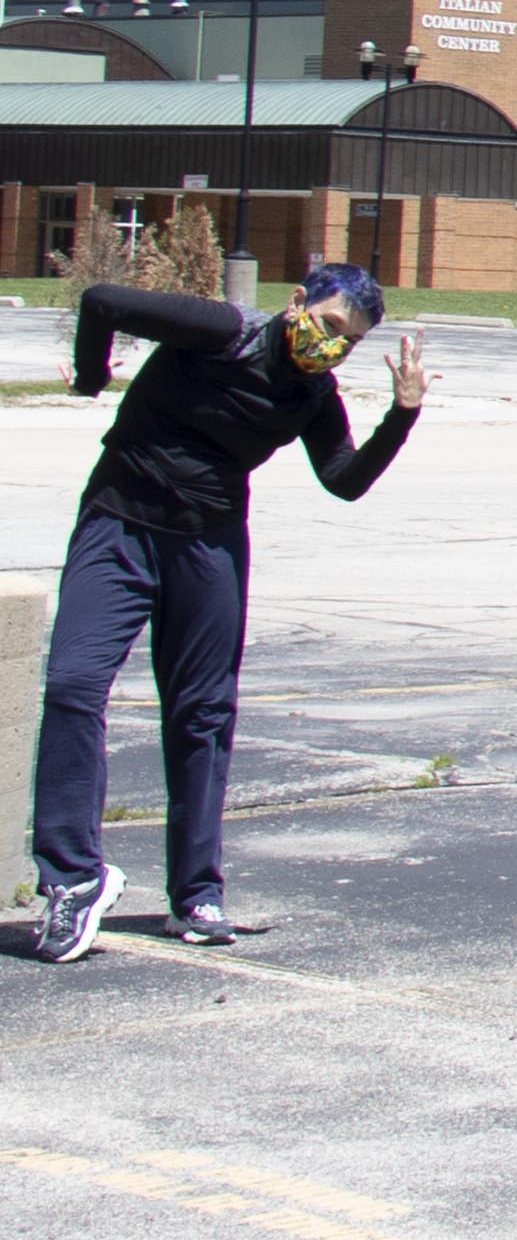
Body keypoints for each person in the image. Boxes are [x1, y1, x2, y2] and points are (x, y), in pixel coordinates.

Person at [32, 264, 428, 962]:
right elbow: (100, 302)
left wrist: (401, 414)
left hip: (209, 546)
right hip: (118, 523)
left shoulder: (312, 394)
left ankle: (196, 896)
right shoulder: (221, 332)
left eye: (351, 343)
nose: (333, 346)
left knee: (203, 713)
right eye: (330, 326)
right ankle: (73, 880)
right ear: (297, 302)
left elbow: (342, 481)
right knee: (72, 685)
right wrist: (91, 379)